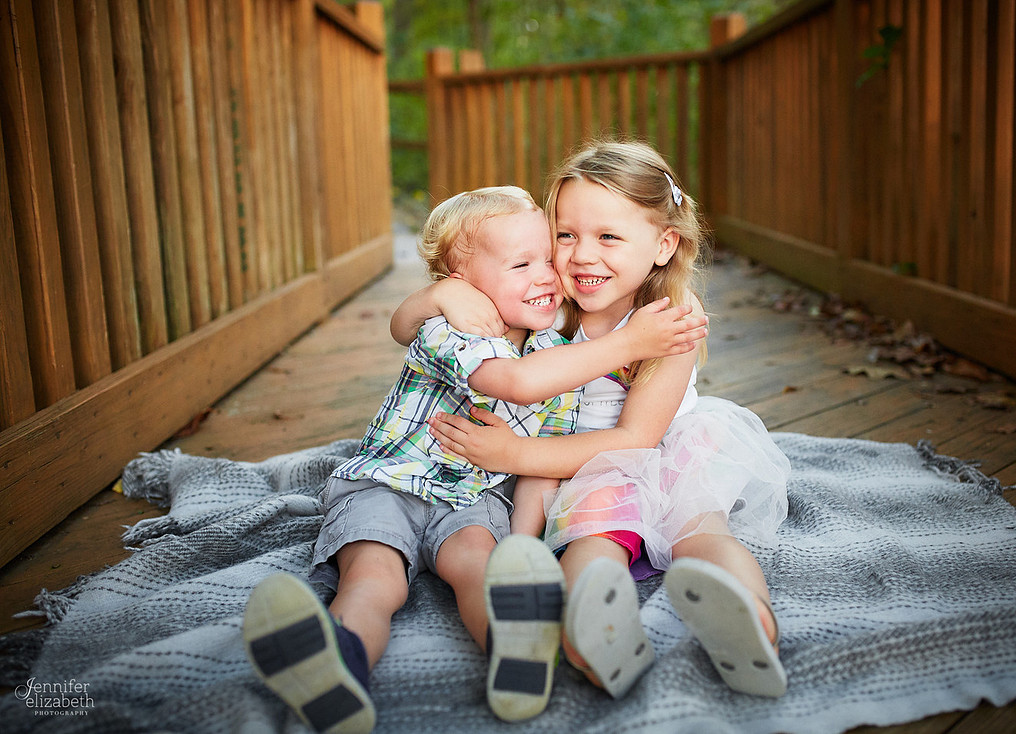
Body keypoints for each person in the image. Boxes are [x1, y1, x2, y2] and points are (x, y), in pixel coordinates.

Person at [240, 185, 708, 734]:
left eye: (547, 257)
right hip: (389, 484)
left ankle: (518, 653)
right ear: (463, 283)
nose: (546, 276)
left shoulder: (557, 352)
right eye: (521, 264)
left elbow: (540, 463)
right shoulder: (451, 329)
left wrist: (523, 545)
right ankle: (336, 668)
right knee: (374, 580)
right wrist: (439, 297)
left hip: (473, 500)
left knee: (481, 571)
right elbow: (513, 382)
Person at [406, 142, 792, 700]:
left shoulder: (671, 322)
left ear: (663, 245)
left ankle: (750, 621)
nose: (583, 256)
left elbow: (636, 439)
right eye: (566, 235)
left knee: (702, 531)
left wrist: (514, 455)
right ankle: (599, 637)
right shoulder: (550, 303)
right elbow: (411, 330)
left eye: (608, 237)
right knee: (591, 545)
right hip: (577, 464)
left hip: (658, 452)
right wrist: (441, 292)